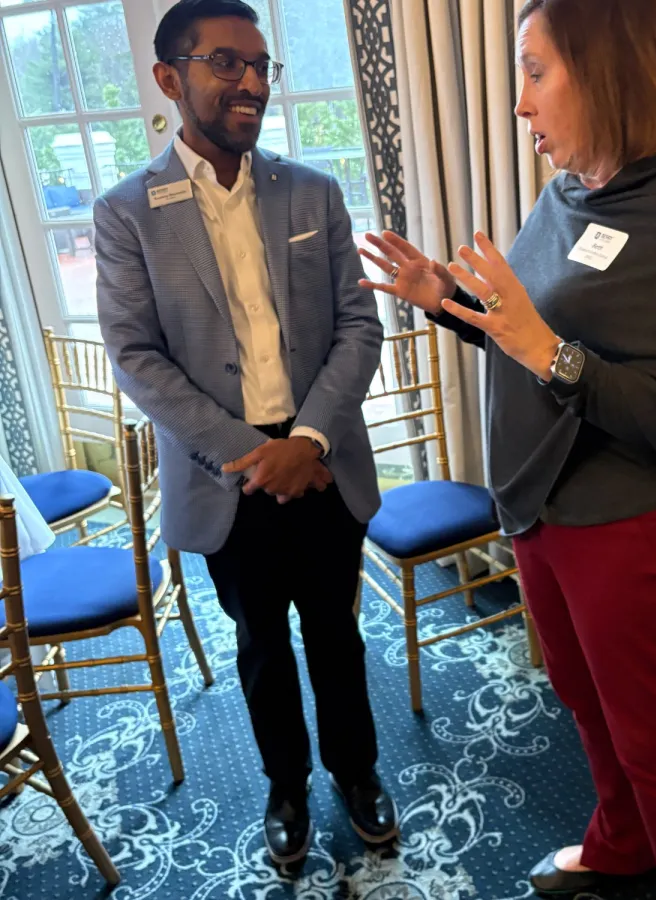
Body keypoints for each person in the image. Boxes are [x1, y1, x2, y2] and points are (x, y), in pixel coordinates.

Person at [360, 0, 656, 897]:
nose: (520, 104)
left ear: (607, 69)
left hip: (636, 515)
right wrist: (445, 296)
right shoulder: (569, 193)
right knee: (581, 697)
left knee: (655, 739)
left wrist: (547, 350)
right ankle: (621, 845)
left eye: (536, 73)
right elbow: (529, 326)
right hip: (544, 502)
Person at [95, 0, 397, 867]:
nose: (252, 83)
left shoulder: (312, 190)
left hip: (324, 460)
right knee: (262, 643)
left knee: (337, 633)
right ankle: (287, 787)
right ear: (169, 78)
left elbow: (358, 326)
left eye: (261, 66)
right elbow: (138, 358)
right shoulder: (127, 214)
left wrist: (308, 440)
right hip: (227, 476)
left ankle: (358, 770)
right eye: (227, 63)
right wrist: (250, 451)